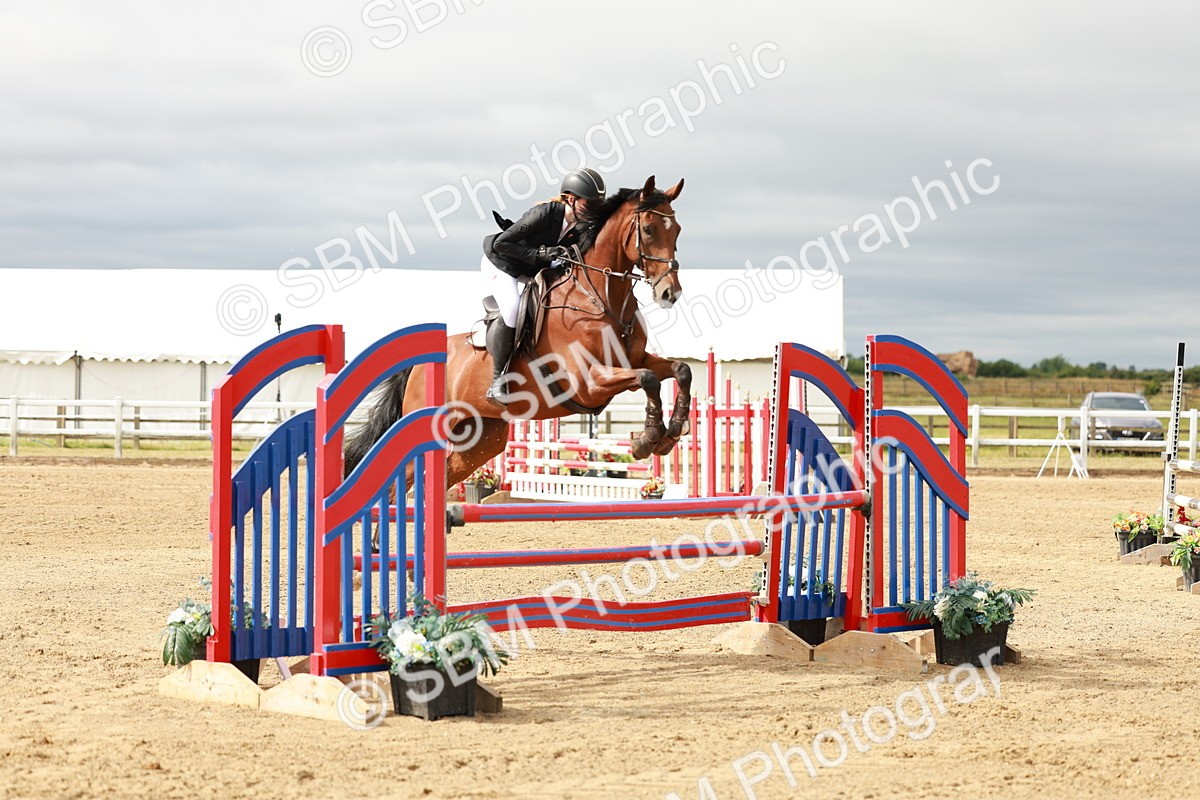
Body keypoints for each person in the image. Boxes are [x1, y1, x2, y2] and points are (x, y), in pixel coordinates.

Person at [480, 167, 606, 405]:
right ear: (571, 199)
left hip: (528, 270)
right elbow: (501, 244)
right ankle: (498, 381)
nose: (593, 212)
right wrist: (541, 252)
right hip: (501, 263)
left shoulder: (580, 227)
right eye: (589, 205)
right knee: (513, 309)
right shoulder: (544, 214)